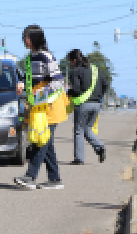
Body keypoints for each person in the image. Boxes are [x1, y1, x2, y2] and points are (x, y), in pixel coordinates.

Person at [14, 25, 69, 190]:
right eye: (24, 36)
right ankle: (55, 179)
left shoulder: (46, 56)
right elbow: (31, 79)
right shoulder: (31, 57)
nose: (25, 40)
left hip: (50, 105)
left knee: (41, 140)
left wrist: (41, 94)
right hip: (39, 105)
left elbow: (58, 81)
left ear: (35, 38)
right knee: (47, 142)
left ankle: (30, 176)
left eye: (27, 37)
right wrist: (23, 84)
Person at [66, 49, 108, 165]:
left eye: (70, 61)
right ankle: (100, 147)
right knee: (87, 129)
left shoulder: (76, 71)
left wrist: (68, 92)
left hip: (83, 104)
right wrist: (99, 96)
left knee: (78, 130)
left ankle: (79, 159)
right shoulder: (95, 69)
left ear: (74, 60)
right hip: (96, 104)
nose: (70, 63)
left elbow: (76, 90)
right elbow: (105, 84)